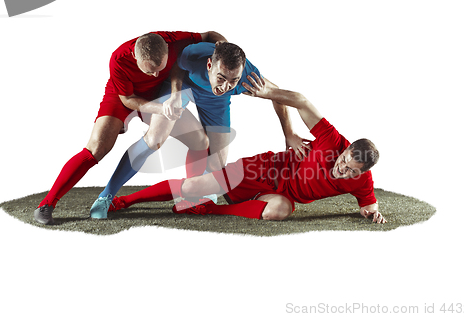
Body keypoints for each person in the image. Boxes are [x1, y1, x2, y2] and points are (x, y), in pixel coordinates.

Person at [106, 73, 387, 224]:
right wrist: (288, 130)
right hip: (263, 171)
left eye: (350, 171)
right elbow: (301, 100)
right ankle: (124, 201)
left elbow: (369, 204)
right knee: (191, 188)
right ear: (346, 148)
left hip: (280, 196)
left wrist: (372, 212)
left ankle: (207, 211)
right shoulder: (331, 140)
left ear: (361, 172)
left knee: (280, 212)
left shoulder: (362, 180)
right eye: (344, 161)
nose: (342, 169)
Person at [88, 41, 309, 219]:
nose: (226, 86)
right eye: (221, 78)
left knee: (217, 163)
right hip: (183, 88)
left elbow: (278, 94)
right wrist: (175, 94)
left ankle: (191, 200)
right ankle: (107, 195)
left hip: (214, 103)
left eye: (233, 81)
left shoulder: (246, 77)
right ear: (209, 65)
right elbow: (177, 67)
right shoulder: (195, 54)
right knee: (155, 139)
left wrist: (288, 133)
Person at [34, 30, 227, 225]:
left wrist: (224, 47)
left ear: (167, 49)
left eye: (160, 68)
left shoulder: (174, 40)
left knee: (200, 140)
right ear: (135, 56)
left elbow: (210, 35)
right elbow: (128, 100)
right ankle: (47, 204)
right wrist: (161, 109)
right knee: (96, 149)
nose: (156, 74)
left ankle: (190, 198)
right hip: (124, 96)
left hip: (158, 92)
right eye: (150, 71)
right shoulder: (119, 59)